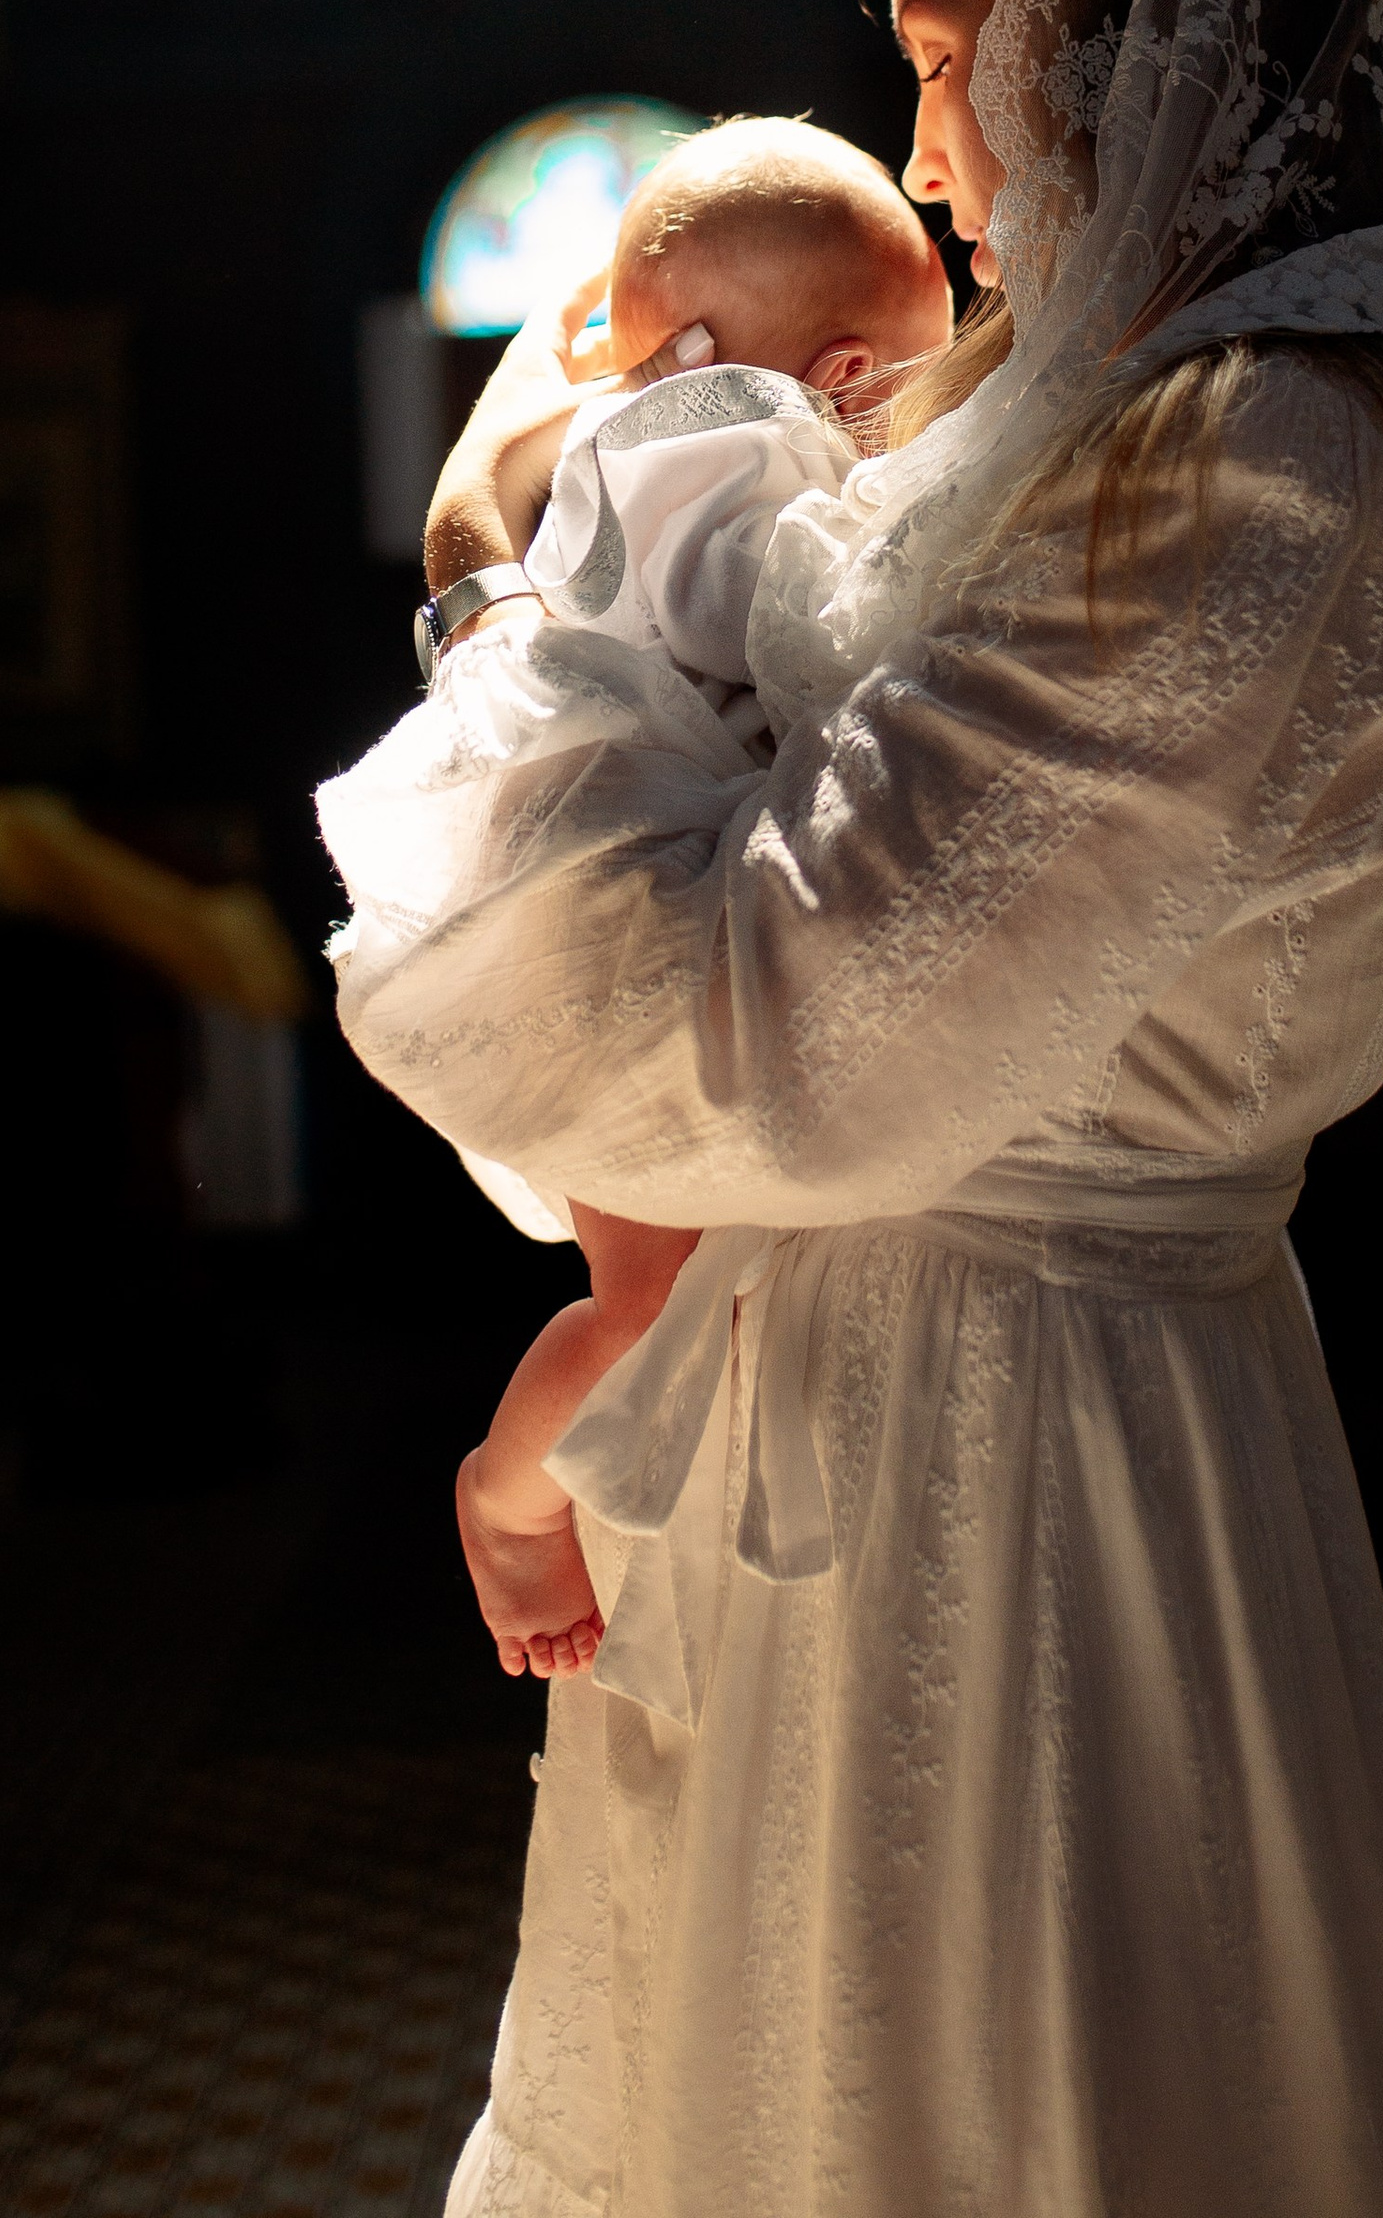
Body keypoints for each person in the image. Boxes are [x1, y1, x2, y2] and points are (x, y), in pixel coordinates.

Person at [320, 0, 1383, 2218]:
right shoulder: (1126, 424)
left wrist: (492, 588)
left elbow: (765, 1043)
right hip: (902, 1406)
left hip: (1002, 1484)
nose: (924, 156)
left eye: (950, 57)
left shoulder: (1266, 472)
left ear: (1139, 61)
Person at [450, 120, 953, 1683]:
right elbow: (791, 643)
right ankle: (508, 1501)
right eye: (918, 378)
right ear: (849, 374)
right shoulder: (734, 456)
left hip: (622, 931)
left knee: (690, 1291)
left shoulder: (634, 445)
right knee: (652, 1299)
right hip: (615, 947)